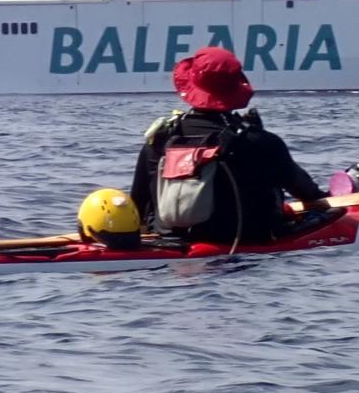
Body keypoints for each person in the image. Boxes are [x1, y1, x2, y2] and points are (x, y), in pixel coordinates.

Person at [130, 46, 327, 245]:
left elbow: (138, 206)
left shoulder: (160, 139)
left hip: (170, 242)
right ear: (236, 86)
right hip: (247, 242)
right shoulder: (262, 141)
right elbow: (307, 193)